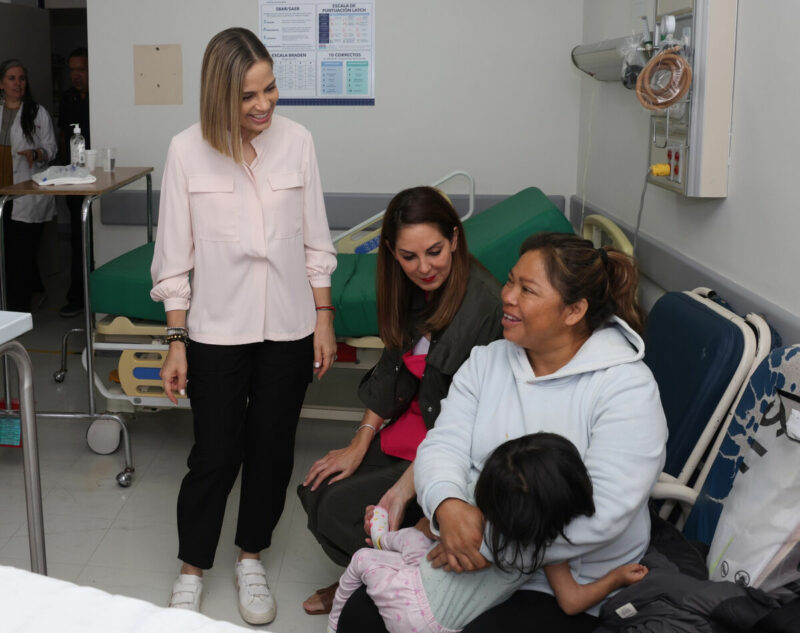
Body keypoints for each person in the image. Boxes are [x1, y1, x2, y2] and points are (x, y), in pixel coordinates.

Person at [336, 232, 668, 632]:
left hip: (564, 575)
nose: (507, 296)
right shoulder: (488, 361)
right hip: (462, 542)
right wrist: (446, 506)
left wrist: (484, 542)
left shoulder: (626, 387)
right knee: (361, 617)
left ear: (574, 310)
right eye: (510, 281)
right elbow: (444, 444)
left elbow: (605, 512)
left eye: (527, 290)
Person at [150, 27, 337, 626]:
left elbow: (316, 242)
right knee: (215, 453)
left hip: (288, 325)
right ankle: (192, 570)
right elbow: (173, 258)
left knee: (271, 451)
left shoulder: (298, 142)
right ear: (218, 96)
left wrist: (324, 318)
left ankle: (250, 556)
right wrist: (176, 340)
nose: (264, 105)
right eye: (248, 96)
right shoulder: (185, 151)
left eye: (271, 89)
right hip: (214, 329)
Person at [298, 186, 504, 615]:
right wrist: (359, 442)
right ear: (392, 252)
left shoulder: (482, 305)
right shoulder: (408, 290)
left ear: (455, 238)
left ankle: (392, 578)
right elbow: (393, 368)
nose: (423, 268)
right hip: (408, 429)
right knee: (317, 488)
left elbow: (467, 421)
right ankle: (370, 569)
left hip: (448, 448)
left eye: (434, 252)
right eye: (409, 257)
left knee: (341, 509)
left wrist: (405, 484)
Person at [327, 432, 649, 633]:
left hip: (410, 606)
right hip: (447, 626)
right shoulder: (544, 549)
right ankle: (387, 541)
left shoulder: (476, 520)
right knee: (418, 544)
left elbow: (431, 526)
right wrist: (616, 579)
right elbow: (571, 601)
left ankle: (378, 546)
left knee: (364, 559)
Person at [0, 58, 57, 313]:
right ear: (1, 84)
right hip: (3, 191)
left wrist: (37, 153)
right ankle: (24, 297)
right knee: (8, 254)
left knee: (21, 255)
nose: (17, 83)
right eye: (11, 78)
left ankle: (18, 311)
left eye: (21, 78)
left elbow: (52, 149)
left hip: (26, 192)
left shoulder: (37, 112)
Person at [57, 47, 90, 318]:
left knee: (95, 239)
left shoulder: (99, 96)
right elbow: (62, 138)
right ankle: (76, 295)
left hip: (95, 176)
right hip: (72, 178)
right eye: (72, 70)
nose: (76, 75)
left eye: (81, 69)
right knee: (77, 241)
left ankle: (95, 295)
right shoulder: (67, 99)